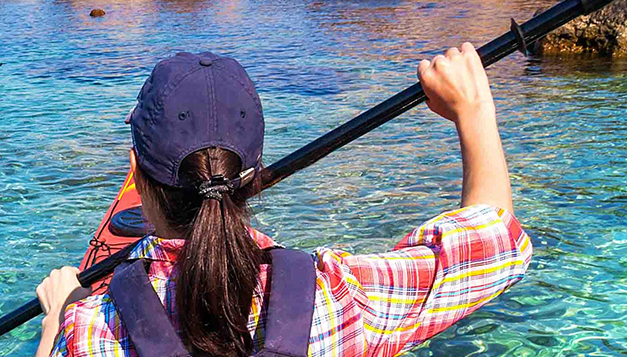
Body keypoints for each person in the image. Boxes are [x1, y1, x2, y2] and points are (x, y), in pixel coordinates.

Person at [34, 44, 532, 357]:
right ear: (252, 178)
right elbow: (495, 242)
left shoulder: (91, 334)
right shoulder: (338, 296)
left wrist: (57, 323)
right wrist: (473, 109)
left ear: (138, 177)